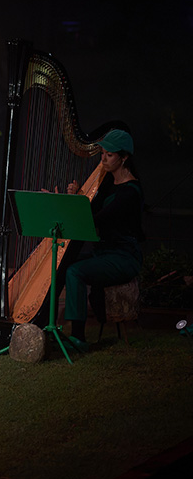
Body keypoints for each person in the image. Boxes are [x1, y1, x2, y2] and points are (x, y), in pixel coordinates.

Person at [61, 128, 144, 352]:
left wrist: (73, 204)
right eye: (102, 154)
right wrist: (77, 195)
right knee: (62, 264)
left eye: (109, 155)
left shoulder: (130, 192)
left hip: (124, 258)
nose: (103, 159)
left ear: (124, 157)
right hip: (105, 254)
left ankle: (78, 337)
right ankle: (45, 322)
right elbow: (92, 209)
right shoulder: (107, 184)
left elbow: (94, 219)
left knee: (75, 271)